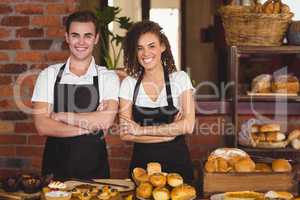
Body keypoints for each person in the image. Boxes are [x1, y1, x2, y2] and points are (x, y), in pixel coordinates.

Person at [31, 11, 119, 180]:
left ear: (96, 38)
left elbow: (105, 121)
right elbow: (42, 126)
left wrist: (61, 116)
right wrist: (90, 126)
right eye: (75, 35)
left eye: (87, 36)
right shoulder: (48, 75)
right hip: (55, 170)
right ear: (67, 37)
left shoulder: (107, 77)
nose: (81, 42)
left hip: (95, 170)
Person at [119, 21, 195, 181]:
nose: (146, 53)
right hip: (141, 171)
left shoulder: (180, 79)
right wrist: (169, 134)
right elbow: (125, 134)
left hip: (178, 171)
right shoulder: (129, 84)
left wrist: (140, 131)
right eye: (140, 48)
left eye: (151, 46)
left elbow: (188, 126)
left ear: (163, 47)